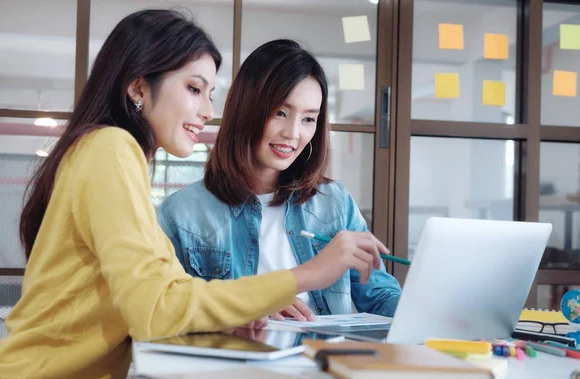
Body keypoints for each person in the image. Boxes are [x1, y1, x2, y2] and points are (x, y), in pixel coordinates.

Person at [0, 11, 389, 379]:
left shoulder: (110, 155)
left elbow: (164, 299)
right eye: (195, 89)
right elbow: (156, 309)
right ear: (139, 87)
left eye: (210, 94)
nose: (208, 110)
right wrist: (306, 275)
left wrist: (225, 317)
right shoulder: (111, 150)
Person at [158, 39, 401, 324]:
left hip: (324, 364)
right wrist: (249, 307)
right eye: (280, 113)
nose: (293, 133)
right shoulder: (182, 214)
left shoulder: (335, 204)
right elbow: (167, 313)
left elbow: (381, 298)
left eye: (309, 119)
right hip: (238, 364)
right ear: (246, 109)